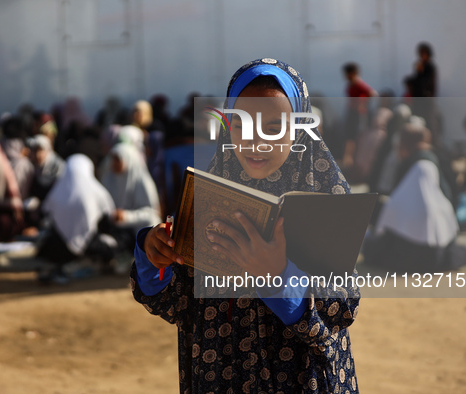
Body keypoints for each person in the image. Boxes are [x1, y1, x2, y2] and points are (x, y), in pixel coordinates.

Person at [131, 59, 359, 393]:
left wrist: (278, 279)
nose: (257, 140)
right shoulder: (209, 199)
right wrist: (153, 255)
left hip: (302, 380)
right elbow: (178, 303)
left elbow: (341, 308)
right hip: (220, 376)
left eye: (275, 125)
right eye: (242, 124)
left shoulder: (325, 195)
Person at [365, 124, 466, 272]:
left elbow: (385, 228)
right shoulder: (437, 163)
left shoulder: (413, 168)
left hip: (402, 254)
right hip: (434, 256)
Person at [38, 154, 115, 281]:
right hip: (91, 247)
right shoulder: (97, 191)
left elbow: (46, 215)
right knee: (109, 246)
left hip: (61, 249)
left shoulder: (56, 192)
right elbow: (108, 219)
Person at [102, 143, 161, 251]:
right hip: (117, 230)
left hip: (138, 230)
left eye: (118, 159)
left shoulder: (141, 182)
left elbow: (152, 213)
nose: (114, 163)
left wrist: (127, 217)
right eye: (113, 158)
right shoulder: (109, 178)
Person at [341, 62, 376, 179]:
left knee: (355, 138)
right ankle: (349, 162)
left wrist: (362, 104)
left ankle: (353, 164)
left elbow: (372, 93)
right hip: (352, 113)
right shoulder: (351, 84)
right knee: (349, 139)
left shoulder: (358, 83)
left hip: (357, 114)